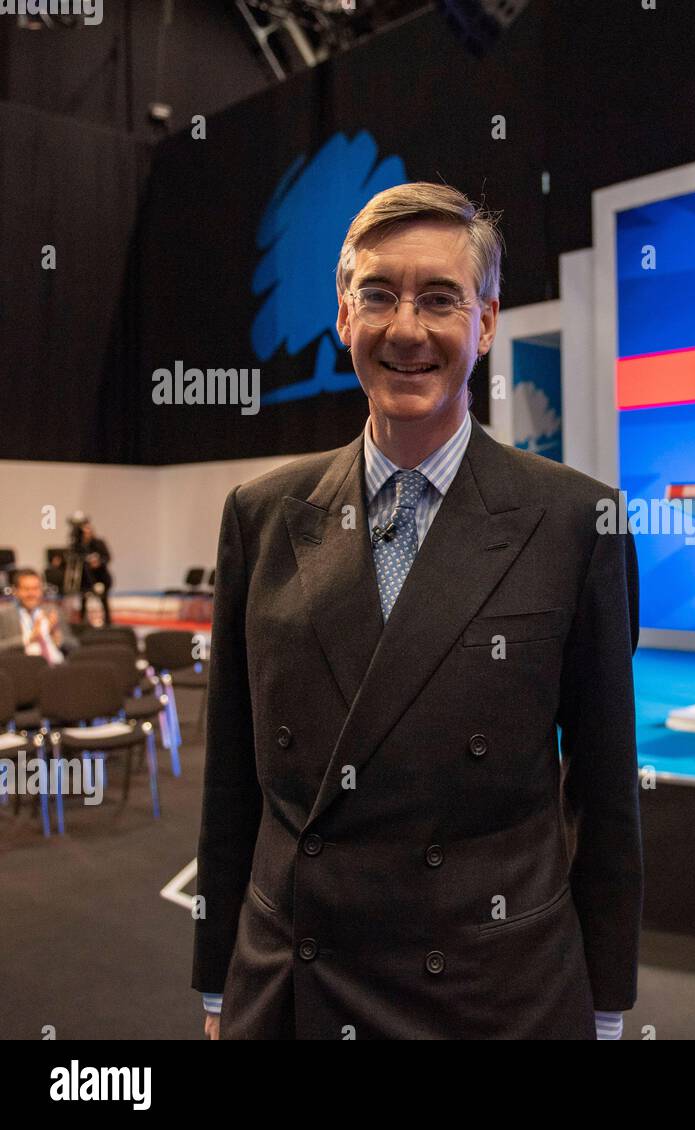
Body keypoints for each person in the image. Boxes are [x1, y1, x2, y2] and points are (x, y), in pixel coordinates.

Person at [192, 181, 642, 1040]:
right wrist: (217, 982)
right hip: (293, 982)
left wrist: (608, 1002)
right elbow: (231, 785)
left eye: (440, 298)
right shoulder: (261, 514)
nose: (406, 329)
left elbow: (605, 792)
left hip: (494, 987)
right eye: (378, 295)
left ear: (487, 323)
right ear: (343, 317)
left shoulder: (577, 521)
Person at [0, 568, 80, 662]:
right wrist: (29, 638)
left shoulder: (53, 610)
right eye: (26, 589)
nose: (31, 593)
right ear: (16, 591)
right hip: (20, 667)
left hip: (55, 666)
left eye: (35, 588)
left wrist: (58, 639)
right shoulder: (4, 614)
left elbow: (74, 644)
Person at [70, 517, 113, 625]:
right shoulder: (78, 545)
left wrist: (98, 562)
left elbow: (107, 557)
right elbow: (74, 558)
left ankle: (108, 622)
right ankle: (82, 622)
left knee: (103, 600)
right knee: (84, 600)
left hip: (101, 576)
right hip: (86, 579)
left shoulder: (99, 543)